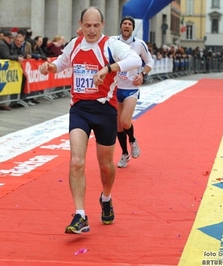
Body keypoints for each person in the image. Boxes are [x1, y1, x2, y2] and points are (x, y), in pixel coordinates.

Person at [39, 6, 141, 234]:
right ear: (81, 24)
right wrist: (49, 67)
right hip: (80, 109)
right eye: (88, 25)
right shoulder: (75, 45)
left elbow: (134, 59)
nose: (92, 30)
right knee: (76, 161)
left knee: (105, 166)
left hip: (105, 110)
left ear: (102, 25)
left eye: (96, 25)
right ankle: (80, 215)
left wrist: (108, 68)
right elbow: (61, 64)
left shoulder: (110, 45)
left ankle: (106, 198)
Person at [114, 16, 153, 168]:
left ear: (132, 28)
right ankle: (124, 154)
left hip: (131, 88)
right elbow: (96, 41)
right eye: (124, 23)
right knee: (118, 126)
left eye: (130, 24)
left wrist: (142, 74)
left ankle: (132, 140)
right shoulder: (113, 42)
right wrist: (81, 34)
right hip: (116, 87)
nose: (127, 26)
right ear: (121, 26)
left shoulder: (139, 44)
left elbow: (150, 61)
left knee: (125, 121)